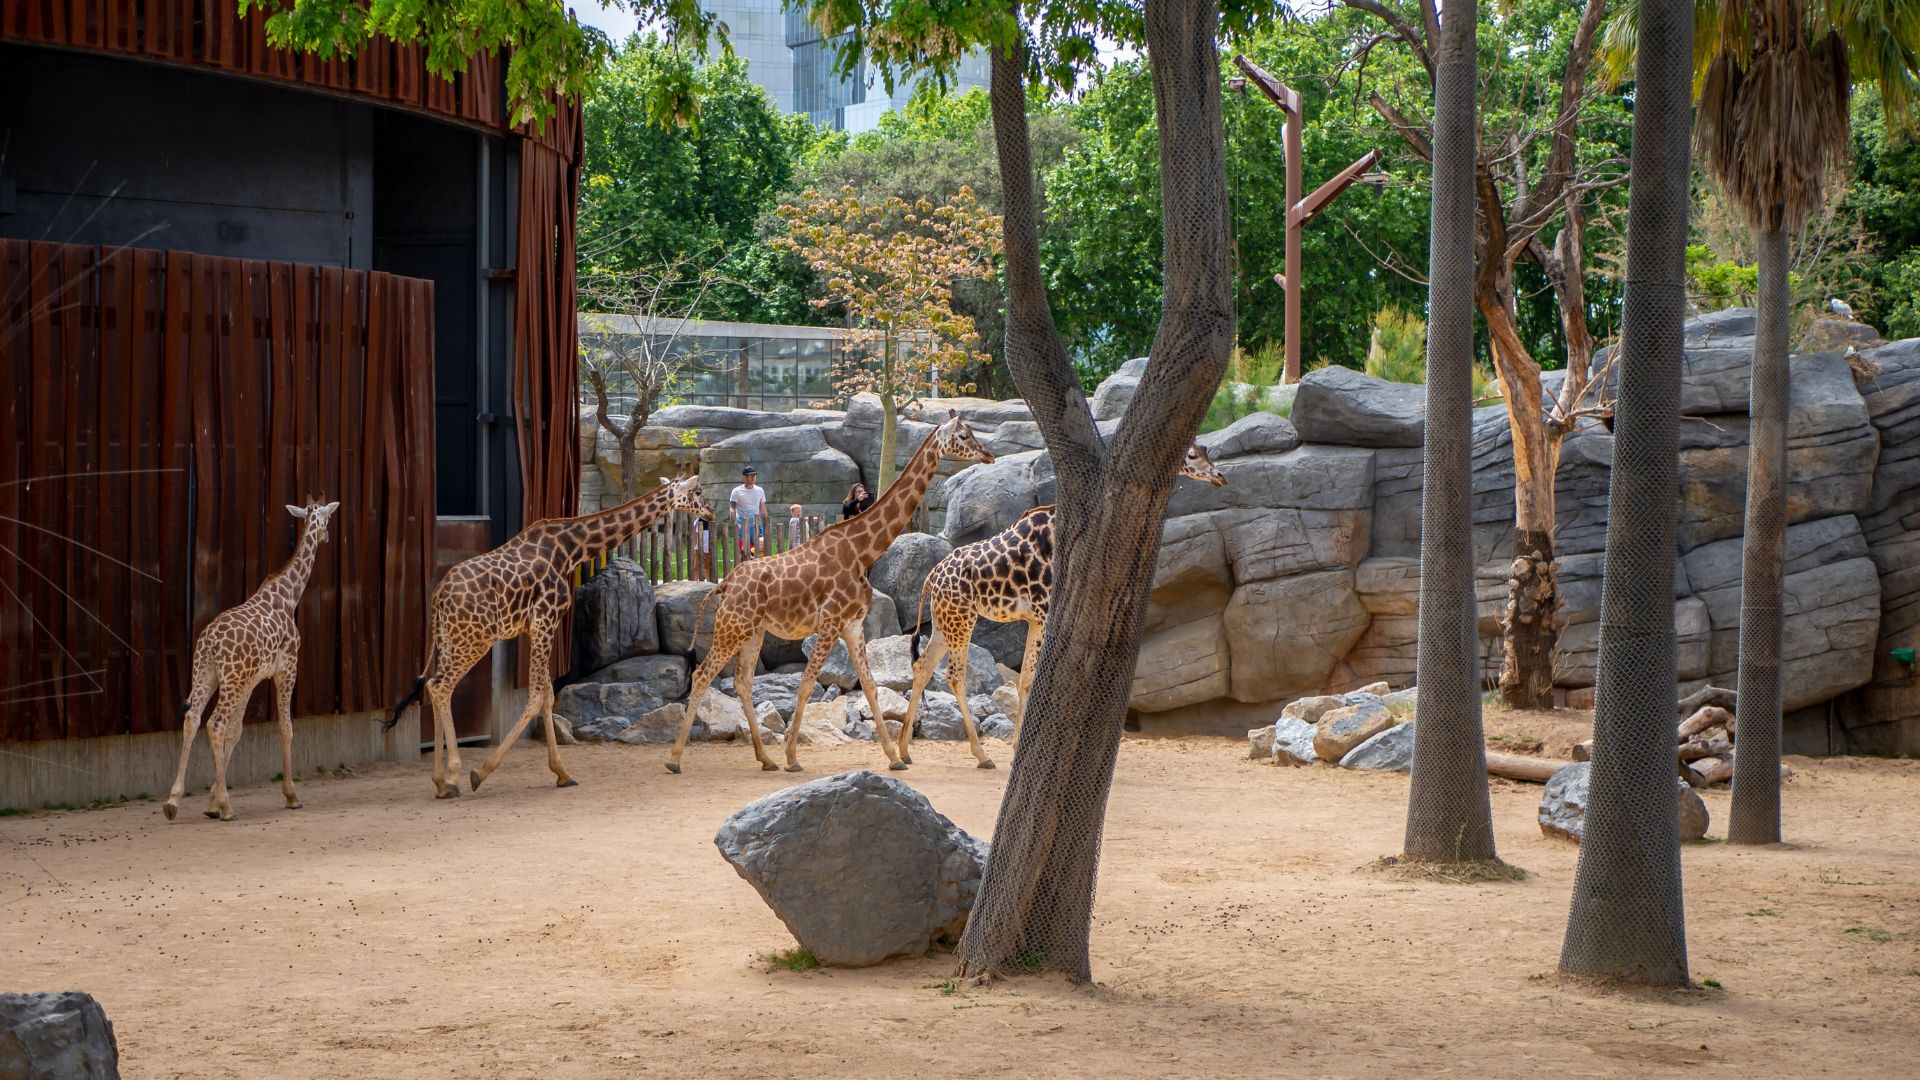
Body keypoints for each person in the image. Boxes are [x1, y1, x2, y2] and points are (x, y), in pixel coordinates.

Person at [730, 466, 768, 556]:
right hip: (743, 526)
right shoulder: (736, 491)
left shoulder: (760, 490)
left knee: (759, 552)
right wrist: (735, 523)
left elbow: (763, 508)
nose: (753, 477)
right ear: (744, 477)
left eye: (754, 475)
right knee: (743, 552)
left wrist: (766, 522)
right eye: (750, 476)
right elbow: (732, 509)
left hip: (757, 525)